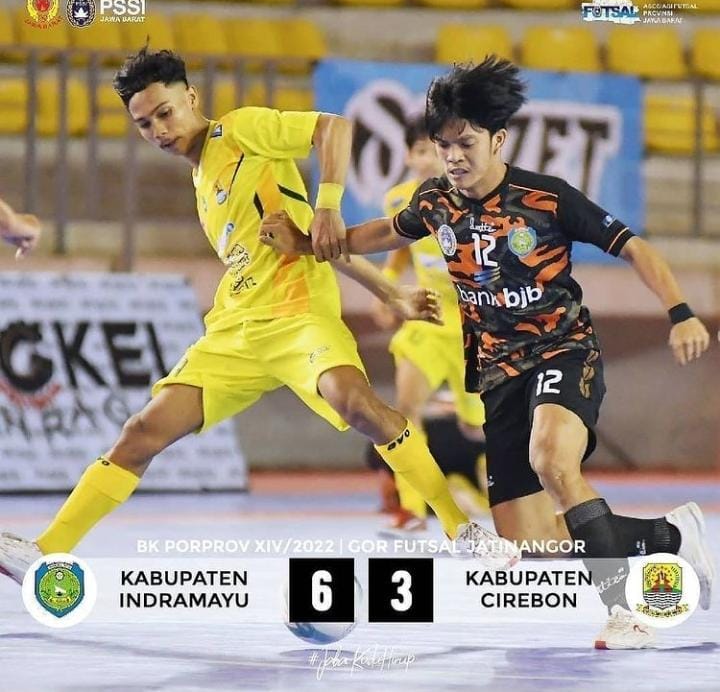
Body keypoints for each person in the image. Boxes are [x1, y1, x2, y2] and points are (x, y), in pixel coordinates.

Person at [0, 48, 518, 585]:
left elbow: (334, 128)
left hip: (299, 316)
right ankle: (46, 550)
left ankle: (460, 530)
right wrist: (390, 293)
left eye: (165, 112)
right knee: (141, 432)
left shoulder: (240, 132)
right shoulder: (202, 181)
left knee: (359, 406)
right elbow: (310, 242)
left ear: (191, 98)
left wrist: (328, 205)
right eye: (145, 123)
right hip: (237, 329)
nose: (159, 130)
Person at [259, 56, 714, 649]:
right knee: (527, 539)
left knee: (553, 461)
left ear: (498, 140)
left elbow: (633, 246)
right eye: (443, 144)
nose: (453, 156)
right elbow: (384, 232)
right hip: (497, 373)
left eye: (465, 143)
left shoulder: (545, 198)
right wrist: (308, 243)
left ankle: (626, 612)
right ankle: (670, 536)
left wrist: (680, 312)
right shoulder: (434, 201)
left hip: (562, 351)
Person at [370, 117, 487, 537]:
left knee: (476, 427)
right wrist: (386, 290)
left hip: (474, 329)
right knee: (404, 411)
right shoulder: (398, 200)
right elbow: (398, 251)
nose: (427, 159)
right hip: (427, 322)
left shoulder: (474, 197)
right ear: (408, 156)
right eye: (419, 151)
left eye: (434, 151)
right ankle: (413, 510)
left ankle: (500, 494)